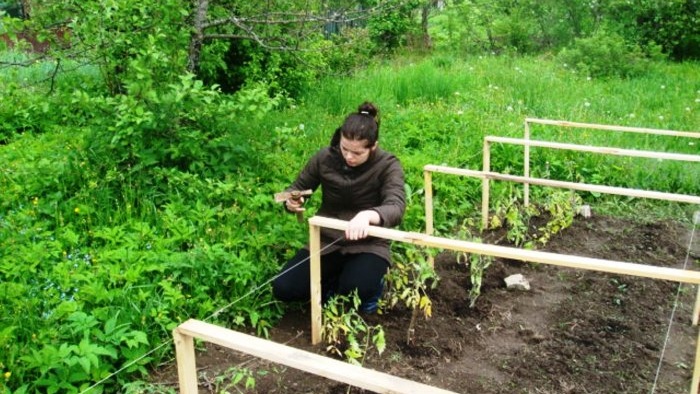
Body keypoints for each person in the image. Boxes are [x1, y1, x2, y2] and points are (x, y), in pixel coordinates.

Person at [272, 101, 406, 313]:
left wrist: (368, 215)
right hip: (326, 240)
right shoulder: (325, 158)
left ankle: (369, 289)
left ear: (374, 146)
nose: (349, 157)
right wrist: (292, 201)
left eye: (357, 153)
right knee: (284, 287)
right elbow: (298, 188)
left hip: (368, 243)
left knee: (355, 290)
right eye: (345, 149)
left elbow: (396, 206)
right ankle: (332, 284)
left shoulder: (388, 165)